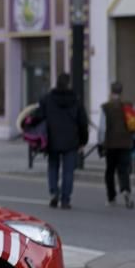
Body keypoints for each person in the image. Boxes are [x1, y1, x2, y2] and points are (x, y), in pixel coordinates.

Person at [36, 73, 89, 209]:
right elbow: (82, 122)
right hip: (71, 140)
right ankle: (65, 199)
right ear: (68, 83)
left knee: (53, 167)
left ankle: (54, 192)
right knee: (68, 171)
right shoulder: (76, 100)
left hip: (52, 139)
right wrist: (83, 141)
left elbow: (38, 116)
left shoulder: (47, 99)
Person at [98, 82, 134, 209]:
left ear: (111, 92)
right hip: (125, 142)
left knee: (110, 171)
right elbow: (133, 123)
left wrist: (100, 143)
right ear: (121, 92)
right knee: (124, 169)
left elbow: (102, 128)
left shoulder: (105, 107)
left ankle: (111, 197)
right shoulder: (129, 106)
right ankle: (126, 190)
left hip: (111, 143)